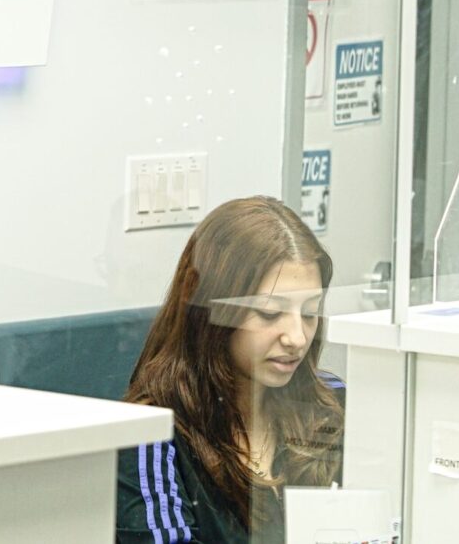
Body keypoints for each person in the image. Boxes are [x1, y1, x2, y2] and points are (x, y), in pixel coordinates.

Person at [118, 196, 344, 544]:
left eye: (310, 312)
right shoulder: (150, 433)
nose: (297, 338)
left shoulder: (331, 405)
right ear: (210, 314)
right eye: (270, 314)